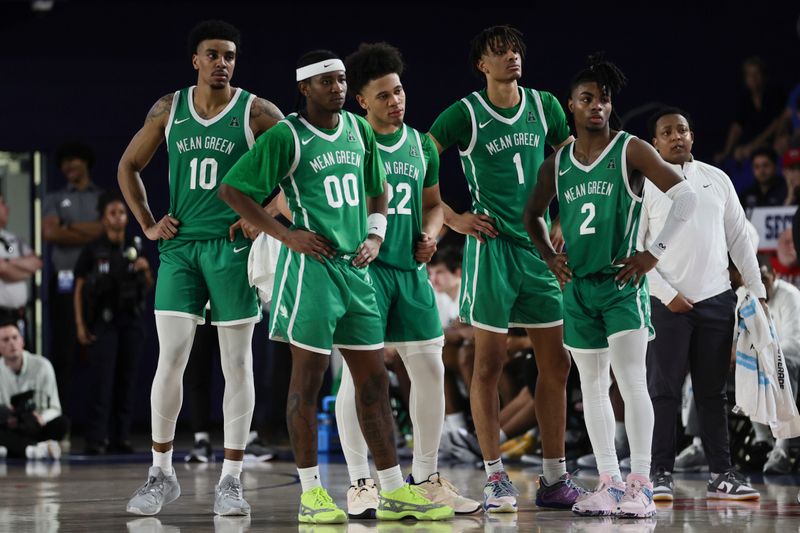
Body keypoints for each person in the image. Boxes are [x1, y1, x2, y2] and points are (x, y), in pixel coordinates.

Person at [219, 49, 453, 524]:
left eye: (343, 80)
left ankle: (392, 489)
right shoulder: (288, 134)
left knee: (371, 380)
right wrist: (286, 234)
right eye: (327, 81)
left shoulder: (359, 129)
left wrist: (375, 233)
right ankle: (311, 493)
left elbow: (377, 188)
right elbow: (233, 190)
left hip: (355, 270)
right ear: (305, 88)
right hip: (311, 273)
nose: (339, 88)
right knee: (306, 381)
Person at [117, 20, 283, 516]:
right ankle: (161, 472)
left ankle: (231, 479)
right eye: (212, 54)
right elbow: (128, 166)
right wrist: (147, 224)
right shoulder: (169, 109)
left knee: (237, 364)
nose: (221, 63)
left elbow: (302, 165)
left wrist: (263, 217)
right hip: (181, 249)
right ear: (195, 59)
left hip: (231, 250)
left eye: (229, 55)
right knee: (171, 359)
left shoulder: (257, 112)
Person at [524, 55, 697, 518]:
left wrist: (652, 255)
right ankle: (609, 482)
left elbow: (685, 197)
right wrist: (549, 257)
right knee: (592, 388)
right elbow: (531, 216)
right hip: (578, 288)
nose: (596, 106)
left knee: (631, 381)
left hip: (621, 284)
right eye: (587, 99)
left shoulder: (632, 149)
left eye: (603, 99)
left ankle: (640, 482)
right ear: (571, 107)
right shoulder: (558, 162)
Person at [428, 24, 580, 513]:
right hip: (492, 252)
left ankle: (555, 477)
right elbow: (417, 157)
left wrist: (561, 216)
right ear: (482, 65)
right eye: (499, 52)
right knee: (487, 364)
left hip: (538, 251)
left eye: (515, 49)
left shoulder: (546, 106)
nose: (511, 57)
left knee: (556, 363)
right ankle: (495, 476)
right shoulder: (466, 112)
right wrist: (452, 216)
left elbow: (576, 159)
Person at [332, 42, 480, 518]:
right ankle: (361, 483)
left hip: (411, 272)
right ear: (361, 101)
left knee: (431, 370)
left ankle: (427, 477)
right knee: (359, 381)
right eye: (383, 96)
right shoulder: (348, 141)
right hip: (364, 272)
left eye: (399, 91)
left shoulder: (421, 145)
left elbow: (434, 205)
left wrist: (432, 235)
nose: (396, 101)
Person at [640, 107, 763, 502]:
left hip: (716, 301)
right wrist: (665, 294)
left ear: (692, 137)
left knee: (713, 393)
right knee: (664, 392)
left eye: (683, 130)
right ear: (654, 142)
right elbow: (635, 250)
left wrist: (756, 293)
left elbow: (740, 240)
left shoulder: (717, 179)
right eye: (667, 132)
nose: (677, 136)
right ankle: (658, 474)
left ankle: (721, 475)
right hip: (666, 302)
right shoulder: (643, 186)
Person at [73, 191, 154, 455]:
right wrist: (81, 325)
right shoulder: (93, 249)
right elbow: (79, 288)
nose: (119, 217)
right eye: (113, 213)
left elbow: (149, 285)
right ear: (103, 218)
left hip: (130, 321)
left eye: (122, 212)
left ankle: (122, 437)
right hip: (103, 321)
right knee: (102, 382)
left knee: (126, 381)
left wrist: (144, 270)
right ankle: (96, 439)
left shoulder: (136, 246)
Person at [43, 141, 104, 414]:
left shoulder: (102, 197)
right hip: (64, 284)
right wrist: (89, 231)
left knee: (101, 355)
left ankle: (101, 429)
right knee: (64, 353)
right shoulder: (54, 198)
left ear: (86, 162)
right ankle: (61, 422)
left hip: (99, 286)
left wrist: (69, 227)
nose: (69, 166)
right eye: (64, 162)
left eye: (74, 160)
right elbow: (51, 233)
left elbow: (107, 231)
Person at [749, 257, 800, 474]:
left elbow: (795, 342)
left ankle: (782, 447)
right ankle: (763, 441)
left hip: (793, 360)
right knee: (747, 365)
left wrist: (766, 355)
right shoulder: (749, 299)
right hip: (764, 363)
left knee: (780, 366)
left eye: (765, 279)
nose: (761, 285)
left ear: (775, 276)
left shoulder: (789, 295)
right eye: (756, 281)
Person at [0, 321, 69, 459]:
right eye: (5, 340)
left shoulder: (42, 365)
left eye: (15, 338)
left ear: (22, 341)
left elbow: (55, 408)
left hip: (37, 424)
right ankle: (34, 449)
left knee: (62, 423)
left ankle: (17, 448)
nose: (12, 343)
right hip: (11, 425)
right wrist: (8, 418)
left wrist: (41, 418)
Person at [0, 193, 42, 342]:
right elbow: (3, 271)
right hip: (1, 315)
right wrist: (24, 269)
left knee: (23, 358)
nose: (7, 208)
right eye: (2, 204)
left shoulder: (12, 239)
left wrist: (8, 261)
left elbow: (36, 263)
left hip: (18, 316)